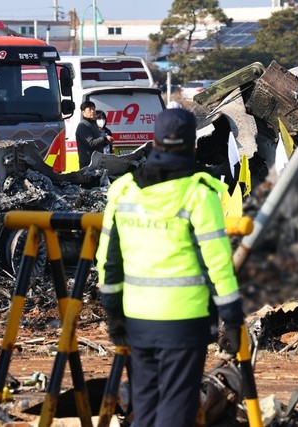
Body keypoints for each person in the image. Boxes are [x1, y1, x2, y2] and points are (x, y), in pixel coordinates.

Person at [96, 108, 245, 427]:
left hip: (137, 320)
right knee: (177, 406)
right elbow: (217, 265)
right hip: (184, 322)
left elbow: (108, 262)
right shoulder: (199, 194)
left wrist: (113, 315)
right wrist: (232, 319)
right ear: (192, 145)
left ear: (156, 142)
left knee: (145, 405)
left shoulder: (124, 191)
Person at [75, 101, 114, 168]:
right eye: (89, 109)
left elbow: (97, 143)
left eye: (93, 109)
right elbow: (91, 143)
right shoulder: (83, 125)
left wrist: (106, 142)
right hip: (88, 163)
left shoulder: (93, 124)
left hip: (96, 161)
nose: (92, 111)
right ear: (83, 112)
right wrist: (104, 138)